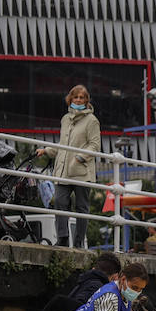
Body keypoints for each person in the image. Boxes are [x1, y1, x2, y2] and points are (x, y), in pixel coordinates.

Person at [36, 85, 100, 248]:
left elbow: (94, 145)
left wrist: (79, 158)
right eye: (76, 97)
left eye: (82, 98)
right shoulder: (65, 119)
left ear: (86, 101)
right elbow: (63, 144)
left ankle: (78, 242)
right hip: (63, 171)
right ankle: (63, 238)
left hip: (81, 171)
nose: (78, 100)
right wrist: (47, 150)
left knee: (81, 208)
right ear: (70, 99)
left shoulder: (92, 120)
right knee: (59, 201)